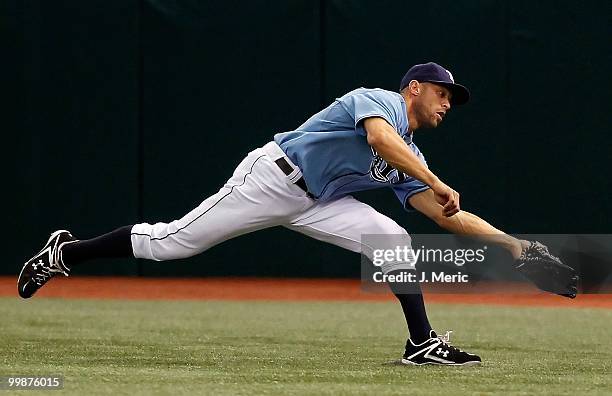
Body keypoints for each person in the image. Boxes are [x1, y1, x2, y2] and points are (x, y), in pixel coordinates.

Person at [18, 62, 532, 366]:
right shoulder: (382, 102)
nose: (447, 105)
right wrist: (436, 180)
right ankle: (67, 252)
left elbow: (444, 215)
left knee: (393, 238)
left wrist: (512, 245)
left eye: (452, 101)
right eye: (443, 95)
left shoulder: (413, 160)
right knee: (171, 244)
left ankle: (421, 343)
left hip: (320, 203)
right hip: (272, 177)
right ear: (415, 88)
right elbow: (379, 138)